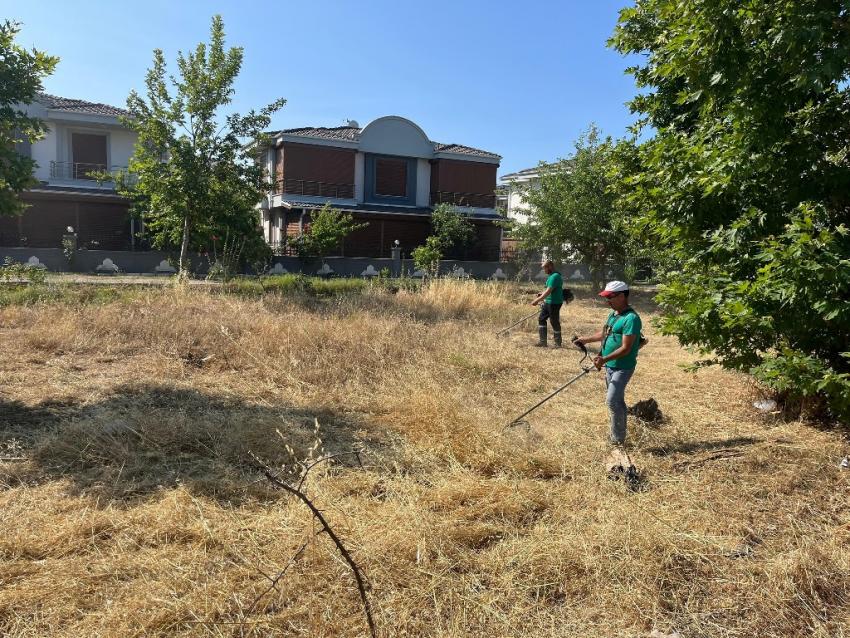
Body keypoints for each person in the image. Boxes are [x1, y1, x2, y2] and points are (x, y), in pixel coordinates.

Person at [575, 281, 644, 446]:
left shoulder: (631, 318)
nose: (607, 301)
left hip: (623, 366)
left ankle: (618, 440)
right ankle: (616, 433)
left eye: (610, 297)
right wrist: (586, 340)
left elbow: (626, 348)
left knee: (612, 401)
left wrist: (604, 359)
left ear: (622, 296)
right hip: (610, 366)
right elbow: (606, 334)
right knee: (616, 400)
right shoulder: (614, 314)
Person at [531, 260, 564, 347]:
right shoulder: (551, 276)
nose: (544, 271)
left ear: (550, 267)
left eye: (544, 268)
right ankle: (543, 342)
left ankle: (558, 343)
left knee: (554, 322)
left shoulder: (555, 276)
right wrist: (541, 294)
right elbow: (548, 290)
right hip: (548, 302)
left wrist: (537, 300)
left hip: (554, 303)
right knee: (541, 319)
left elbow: (548, 291)